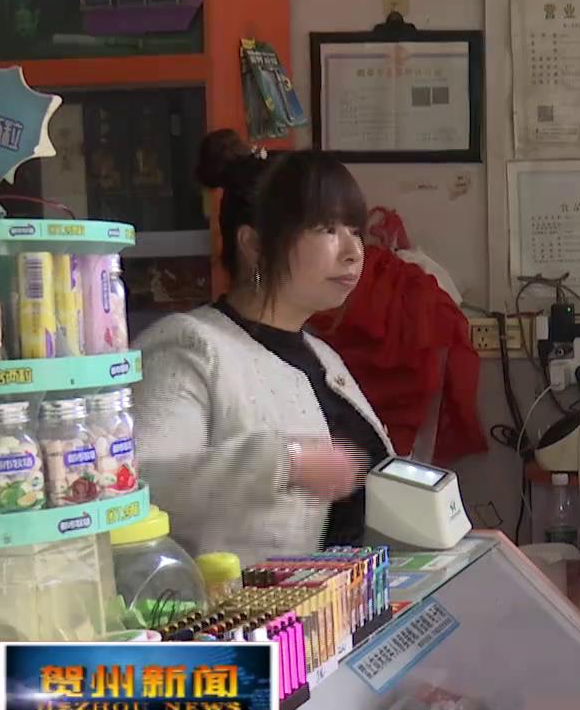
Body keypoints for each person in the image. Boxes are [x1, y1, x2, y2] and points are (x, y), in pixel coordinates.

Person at [137, 131, 394, 560]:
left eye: (355, 230)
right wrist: (283, 462)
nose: (354, 252)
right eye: (327, 229)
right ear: (253, 244)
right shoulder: (189, 347)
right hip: (236, 603)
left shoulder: (323, 357)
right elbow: (140, 488)